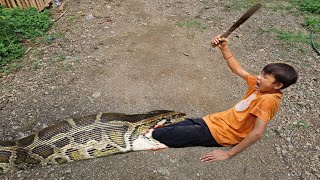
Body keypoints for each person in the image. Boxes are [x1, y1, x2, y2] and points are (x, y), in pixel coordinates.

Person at [144, 35, 298, 162]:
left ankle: (149, 140)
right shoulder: (260, 87)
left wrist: (228, 154)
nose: (258, 77)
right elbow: (238, 70)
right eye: (261, 73)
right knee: (169, 128)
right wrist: (224, 48)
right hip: (214, 121)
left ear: (277, 85)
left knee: (158, 134)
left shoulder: (268, 100)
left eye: (265, 77)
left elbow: (258, 132)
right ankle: (161, 139)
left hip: (221, 134)